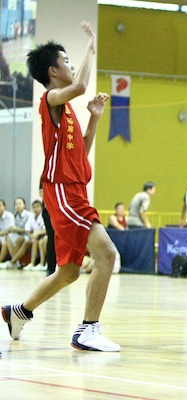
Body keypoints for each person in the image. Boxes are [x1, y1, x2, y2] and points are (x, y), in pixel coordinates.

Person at [2, 21, 120, 352]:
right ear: (53, 71)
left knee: (68, 271)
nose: (71, 66)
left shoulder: (67, 110)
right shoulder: (50, 99)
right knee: (108, 254)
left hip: (75, 189)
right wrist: (90, 47)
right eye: (66, 61)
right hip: (63, 191)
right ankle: (87, 330)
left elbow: (81, 149)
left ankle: (18, 312)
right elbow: (81, 85)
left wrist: (94, 117)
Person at [0, 197, 33, 269]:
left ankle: (13, 262)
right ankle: (16, 262)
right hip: (18, 235)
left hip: (27, 235)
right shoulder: (16, 215)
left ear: (24, 205)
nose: (18, 206)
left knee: (19, 239)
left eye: (20, 203)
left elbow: (28, 230)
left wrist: (18, 229)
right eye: (16, 204)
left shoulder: (29, 215)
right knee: (8, 238)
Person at [22, 200, 48, 271]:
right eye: (34, 207)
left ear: (41, 208)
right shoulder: (31, 217)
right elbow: (27, 229)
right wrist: (30, 235)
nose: (35, 209)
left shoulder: (44, 216)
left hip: (45, 236)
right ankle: (32, 263)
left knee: (41, 241)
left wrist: (37, 233)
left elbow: (46, 229)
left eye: (37, 207)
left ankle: (45, 263)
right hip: (36, 237)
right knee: (35, 241)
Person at [0, 199, 15, 264]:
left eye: (0, 206)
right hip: (1, 236)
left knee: (7, 240)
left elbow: (10, 230)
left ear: (4, 207)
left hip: (10, 236)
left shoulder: (9, 216)